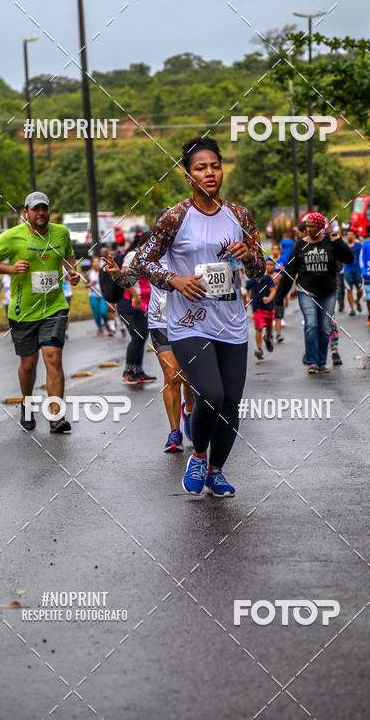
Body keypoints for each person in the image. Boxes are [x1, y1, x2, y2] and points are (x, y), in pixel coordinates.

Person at [104, 135, 264, 498]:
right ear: (188, 175)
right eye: (201, 168)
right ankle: (198, 455)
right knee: (210, 394)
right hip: (189, 324)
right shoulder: (175, 217)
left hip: (231, 322)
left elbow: (259, 270)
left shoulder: (239, 215)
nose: (210, 173)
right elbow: (144, 262)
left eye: (215, 166)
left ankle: (216, 472)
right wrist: (173, 279)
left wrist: (250, 255)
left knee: (230, 403)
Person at [0, 191, 80, 433]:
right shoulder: (12, 236)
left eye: (44, 208)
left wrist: (72, 272)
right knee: (28, 364)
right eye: (35, 209)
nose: (40, 213)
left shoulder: (61, 232)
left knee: (53, 356)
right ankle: (27, 403)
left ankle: (56, 416)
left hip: (54, 306)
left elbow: (68, 255)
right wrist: (11, 269)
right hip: (23, 311)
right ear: (26, 212)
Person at [274, 212, 353, 374]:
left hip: (328, 292)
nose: (308, 229)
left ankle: (322, 362)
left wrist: (339, 242)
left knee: (324, 327)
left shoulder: (330, 242)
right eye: (307, 226)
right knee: (311, 324)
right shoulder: (300, 245)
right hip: (306, 291)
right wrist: (279, 297)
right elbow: (289, 271)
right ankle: (312, 361)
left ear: (320, 227)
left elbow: (349, 258)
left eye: (312, 226)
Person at [148, 244, 195, 453]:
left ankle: (189, 410)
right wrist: (115, 274)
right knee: (172, 374)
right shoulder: (150, 250)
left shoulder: (191, 246)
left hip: (189, 320)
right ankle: (174, 432)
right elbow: (129, 275)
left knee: (190, 376)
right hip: (160, 321)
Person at [117, 231, 157, 385]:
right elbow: (123, 277)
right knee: (138, 336)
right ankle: (128, 372)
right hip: (131, 303)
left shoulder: (147, 257)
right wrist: (135, 296)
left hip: (142, 303)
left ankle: (138, 371)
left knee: (142, 337)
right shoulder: (133, 255)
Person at [246, 257, 277, 359]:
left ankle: (267, 338)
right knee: (259, 327)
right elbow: (247, 290)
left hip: (268, 307)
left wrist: (269, 298)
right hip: (257, 308)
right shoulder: (251, 280)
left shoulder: (267, 278)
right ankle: (259, 349)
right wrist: (248, 297)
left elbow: (273, 290)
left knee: (269, 328)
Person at [84, 256, 109, 336]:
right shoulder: (89, 273)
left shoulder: (103, 271)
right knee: (96, 313)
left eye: (97, 262)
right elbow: (85, 285)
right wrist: (90, 284)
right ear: (92, 264)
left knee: (103, 312)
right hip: (93, 295)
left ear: (100, 263)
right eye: (94, 262)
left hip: (102, 295)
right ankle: (100, 328)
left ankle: (106, 323)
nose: (96, 264)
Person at [343, 228, 363, 316]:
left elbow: (362, 256)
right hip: (347, 271)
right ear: (346, 236)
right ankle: (352, 309)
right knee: (349, 290)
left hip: (358, 270)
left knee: (360, 290)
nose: (350, 236)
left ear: (354, 236)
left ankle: (357, 301)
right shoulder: (343, 246)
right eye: (348, 235)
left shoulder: (358, 245)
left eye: (351, 235)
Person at [270, 243, 285, 342]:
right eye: (274, 249)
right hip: (268, 296)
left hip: (278, 294)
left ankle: (278, 334)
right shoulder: (268, 259)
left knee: (278, 315)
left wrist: (285, 297)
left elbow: (285, 278)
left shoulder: (282, 259)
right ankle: (269, 334)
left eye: (277, 249)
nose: (275, 251)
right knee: (270, 316)